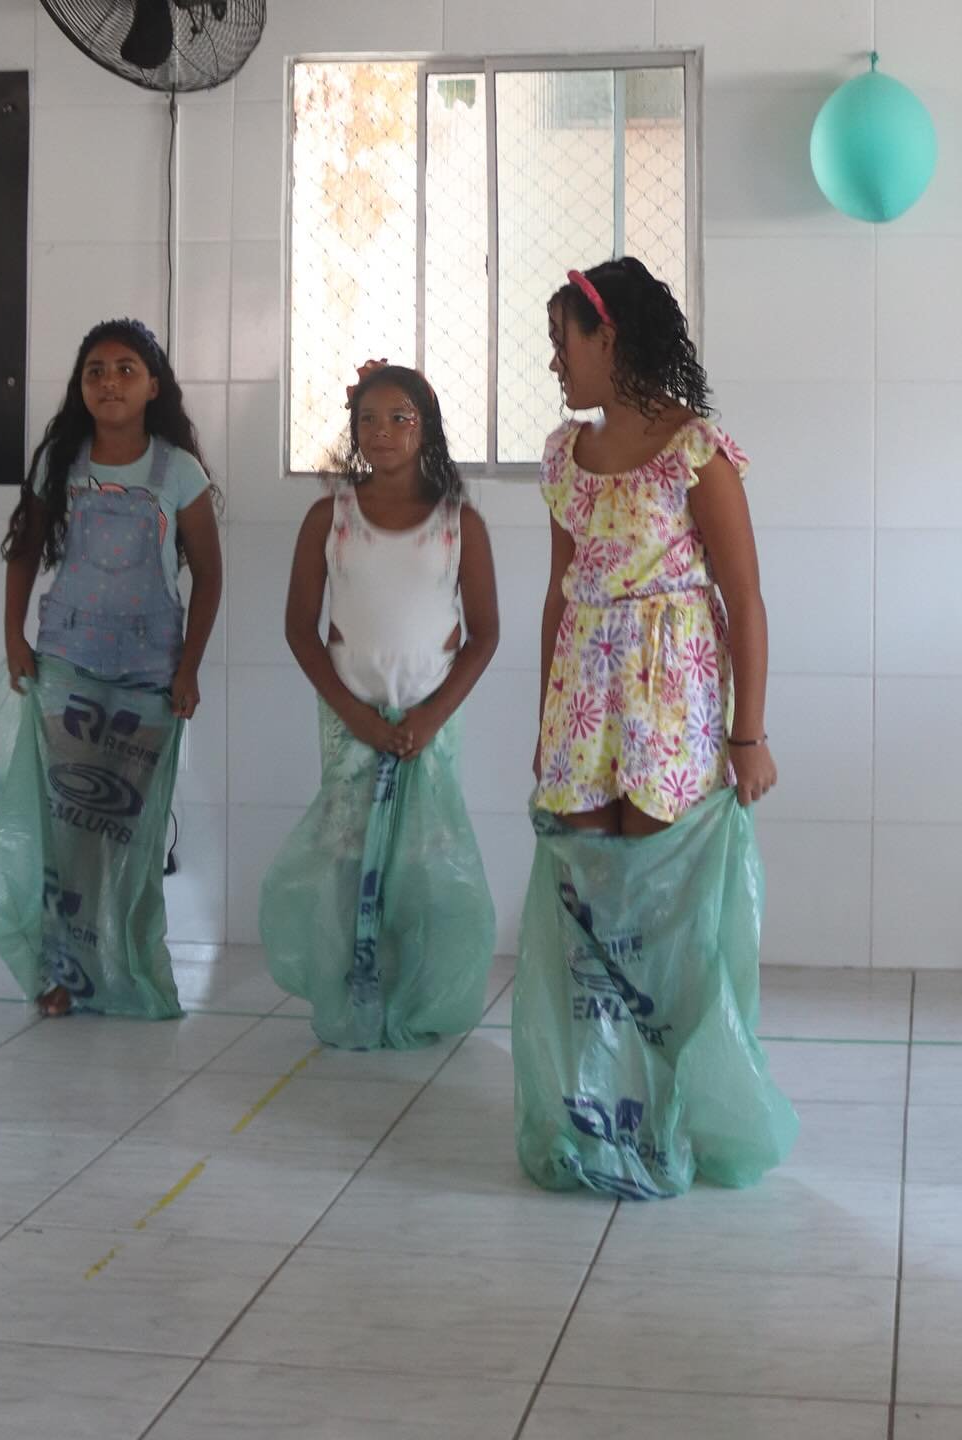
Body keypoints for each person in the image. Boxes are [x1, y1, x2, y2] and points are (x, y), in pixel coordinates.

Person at [514, 258, 797, 1199]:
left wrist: (748, 736)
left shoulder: (694, 451)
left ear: (612, 339)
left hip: (670, 703)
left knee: (663, 920)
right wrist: (546, 723)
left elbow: (745, 601)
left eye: (564, 342)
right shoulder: (564, 456)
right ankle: (598, 1116)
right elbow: (559, 598)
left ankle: (670, 1116)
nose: (555, 362)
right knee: (589, 919)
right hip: (583, 702)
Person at [0, 317, 222, 1018]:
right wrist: (14, 636)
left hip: (150, 674)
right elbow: (25, 549)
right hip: (68, 665)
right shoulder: (61, 463)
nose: (109, 382)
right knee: (66, 832)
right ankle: (59, 974)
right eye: (95, 371)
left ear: (153, 387)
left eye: (125, 370)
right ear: (79, 386)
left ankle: (126, 968)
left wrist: (189, 668)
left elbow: (209, 576)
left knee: (129, 837)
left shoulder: (178, 471)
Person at [260, 362, 498, 1049]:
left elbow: (484, 635)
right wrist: (354, 714)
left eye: (399, 418)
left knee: (422, 863)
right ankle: (351, 993)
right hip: (350, 723)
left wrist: (430, 716)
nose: (382, 431)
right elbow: (299, 629)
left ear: (426, 428)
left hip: (429, 725)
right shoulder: (329, 518)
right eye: (368, 419)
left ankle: (415, 997)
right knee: (346, 858)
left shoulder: (459, 523)